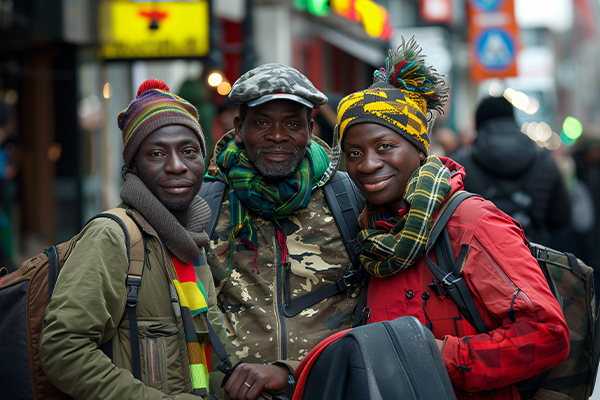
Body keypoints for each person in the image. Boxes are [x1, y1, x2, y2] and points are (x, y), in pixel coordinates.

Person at [336, 38, 569, 399]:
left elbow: (547, 333)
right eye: (354, 152)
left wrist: (437, 356)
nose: (367, 164)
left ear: (417, 147)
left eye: (385, 147)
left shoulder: (471, 223)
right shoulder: (369, 233)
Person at [40, 79, 222, 400]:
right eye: (156, 153)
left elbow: (202, 350)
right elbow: (62, 348)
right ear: (133, 166)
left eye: (189, 151)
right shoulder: (113, 236)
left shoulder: (192, 241)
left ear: (204, 161)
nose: (177, 166)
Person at [204, 63, 362, 400]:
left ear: (310, 128)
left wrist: (292, 371)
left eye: (292, 123)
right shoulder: (206, 203)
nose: (277, 135)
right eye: (261, 122)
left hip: (333, 387)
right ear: (238, 128)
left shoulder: (348, 198)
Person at [451, 95, 571, 245]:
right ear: (513, 120)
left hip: (477, 262)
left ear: (478, 124)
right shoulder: (544, 162)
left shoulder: (460, 166)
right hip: (532, 260)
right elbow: (561, 217)